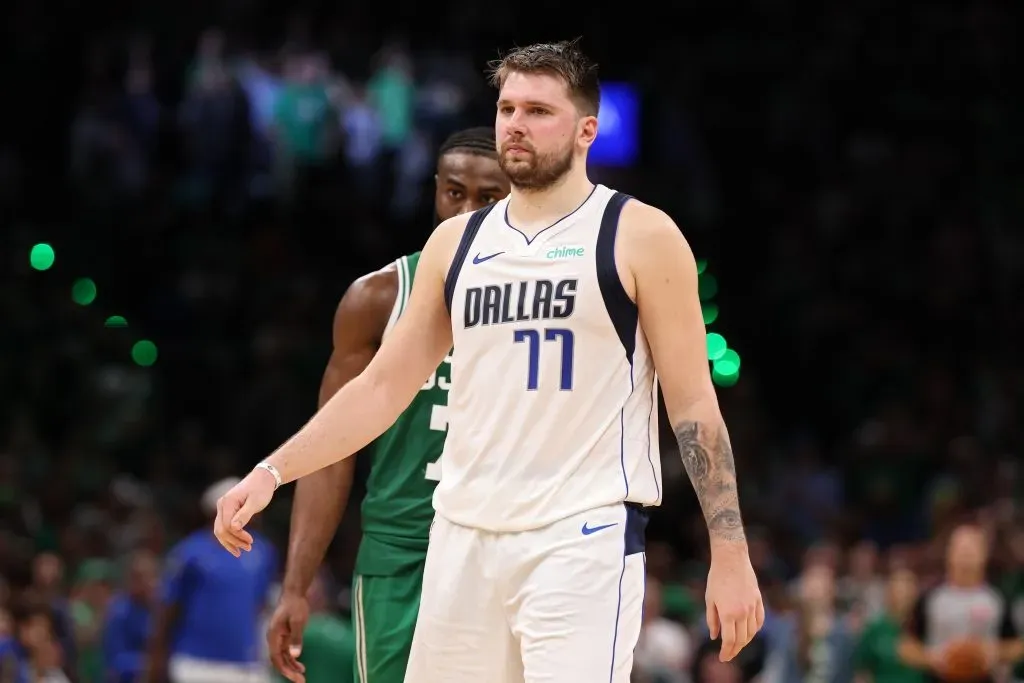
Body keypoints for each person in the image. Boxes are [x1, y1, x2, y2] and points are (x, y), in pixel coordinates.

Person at [215, 38, 764, 682]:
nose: (516, 125)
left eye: (538, 111)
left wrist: (729, 550)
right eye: (507, 109)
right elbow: (382, 387)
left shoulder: (640, 234)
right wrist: (273, 470)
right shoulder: (456, 242)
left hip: (577, 538)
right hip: (462, 535)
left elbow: (694, 402)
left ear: (587, 130)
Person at [265, 126, 510, 683]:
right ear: (434, 192)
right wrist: (297, 585)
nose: (466, 210)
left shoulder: (546, 302)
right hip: (399, 552)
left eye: (488, 197)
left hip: (500, 546)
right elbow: (329, 452)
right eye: (454, 192)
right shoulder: (378, 298)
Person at [147, 479, 277, 683]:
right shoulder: (190, 552)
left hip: (246, 664)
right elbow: (168, 608)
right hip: (197, 662)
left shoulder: (262, 551)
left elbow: (261, 606)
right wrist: (156, 657)